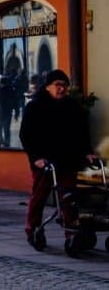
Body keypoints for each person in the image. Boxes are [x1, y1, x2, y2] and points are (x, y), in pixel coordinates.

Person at [20, 68, 94, 244]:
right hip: (45, 161)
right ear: (47, 87)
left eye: (65, 85)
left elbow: (82, 132)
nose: (62, 88)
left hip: (68, 159)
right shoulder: (35, 106)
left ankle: (71, 233)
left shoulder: (72, 106)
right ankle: (32, 228)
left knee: (69, 197)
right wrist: (36, 157)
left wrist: (88, 151)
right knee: (40, 195)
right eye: (58, 85)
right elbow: (26, 135)